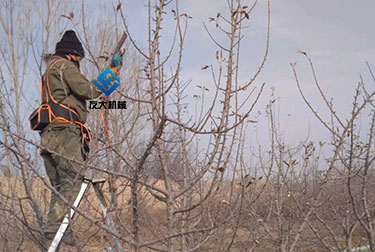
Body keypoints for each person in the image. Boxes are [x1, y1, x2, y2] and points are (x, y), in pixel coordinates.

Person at [40, 30, 121, 247]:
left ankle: (58, 230)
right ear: (73, 54)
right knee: (73, 180)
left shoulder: (50, 70)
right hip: (64, 133)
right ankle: (53, 231)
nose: (80, 64)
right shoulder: (64, 66)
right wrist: (112, 72)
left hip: (49, 134)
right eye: (80, 59)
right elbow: (89, 90)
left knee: (61, 185)